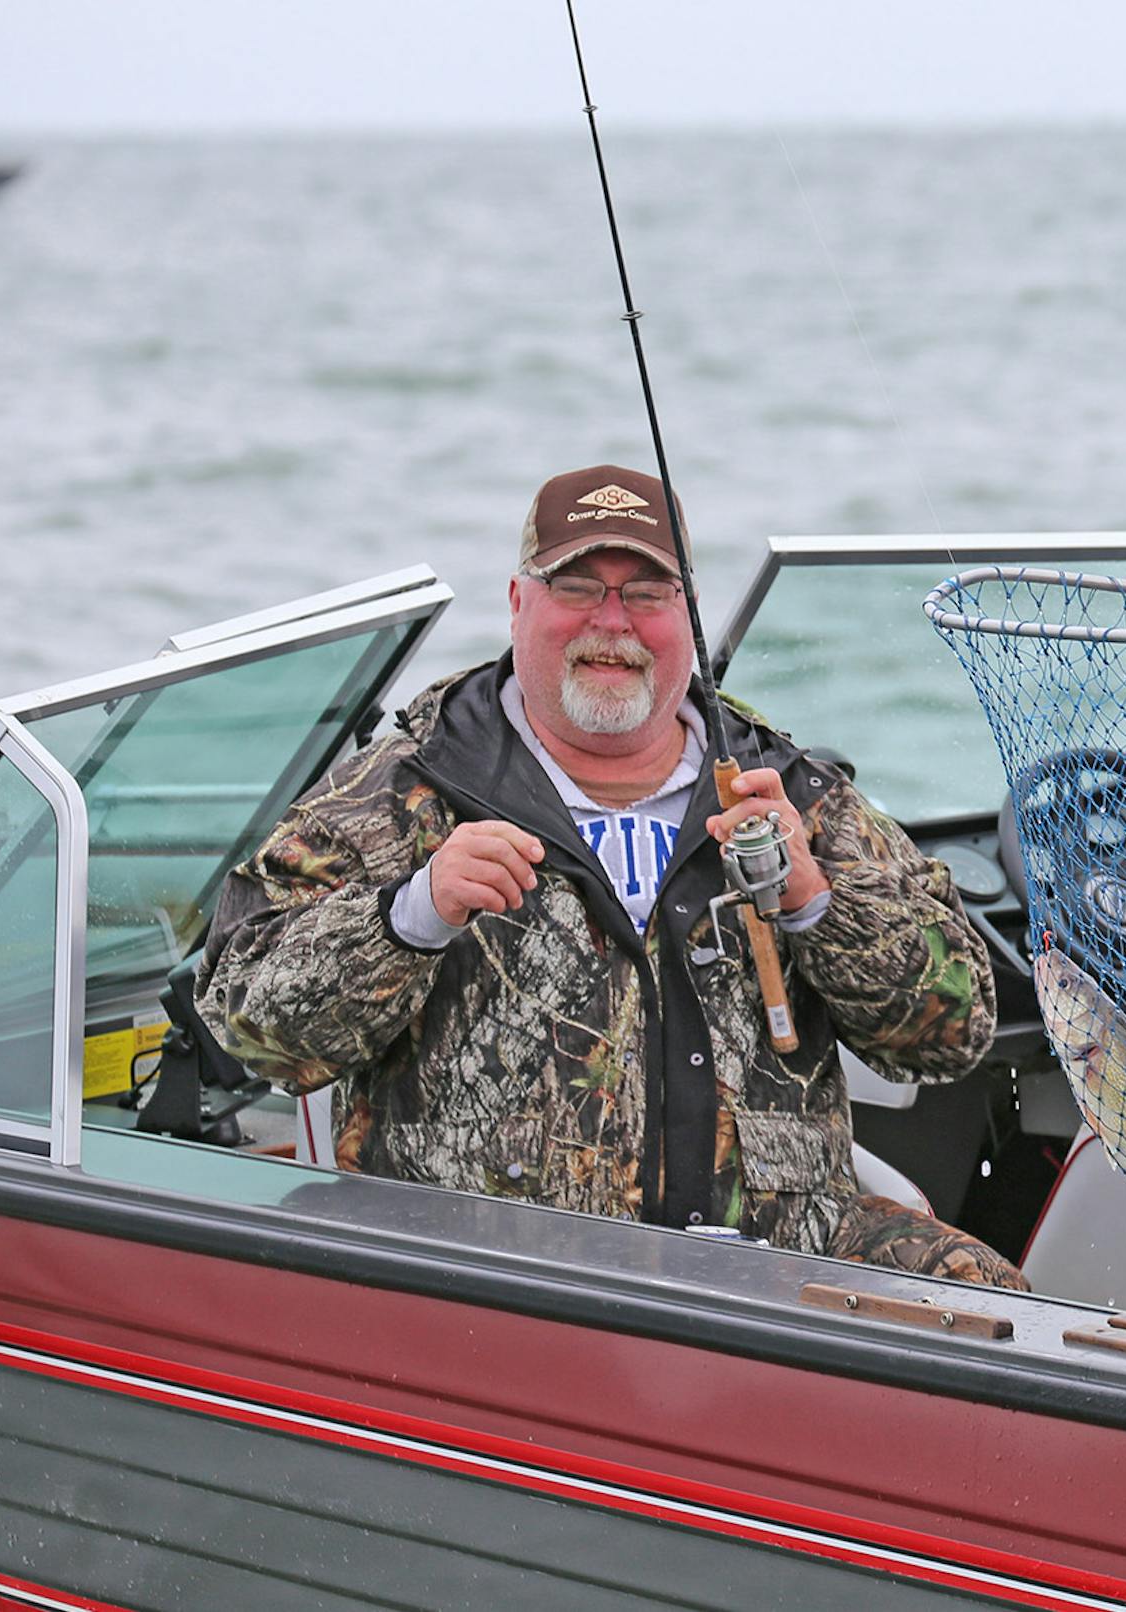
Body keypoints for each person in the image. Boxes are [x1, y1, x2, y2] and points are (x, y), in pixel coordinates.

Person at [197, 463, 1024, 1290]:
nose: (613, 623)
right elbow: (243, 1026)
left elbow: (953, 1036)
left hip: (777, 1270)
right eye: (579, 588)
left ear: (687, 617)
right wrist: (410, 916)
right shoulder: (407, 786)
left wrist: (815, 906)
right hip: (487, 1277)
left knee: (1003, 1314)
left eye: (647, 595)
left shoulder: (789, 792)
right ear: (519, 605)